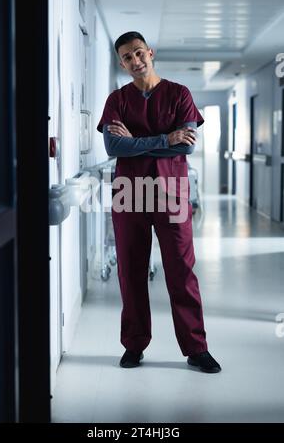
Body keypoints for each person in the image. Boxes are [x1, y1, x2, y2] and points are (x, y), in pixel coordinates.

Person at [97, 31, 221, 373]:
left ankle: (196, 348)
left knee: (181, 272)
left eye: (139, 53)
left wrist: (137, 141)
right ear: (121, 63)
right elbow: (114, 148)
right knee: (130, 271)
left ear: (150, 53)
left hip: (172, 193)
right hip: (129, 192)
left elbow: (186, 146)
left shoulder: (180, 94)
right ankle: (134, 345)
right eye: (126, 57)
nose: (135, 61)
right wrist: (164, 138)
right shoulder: (117, 100)